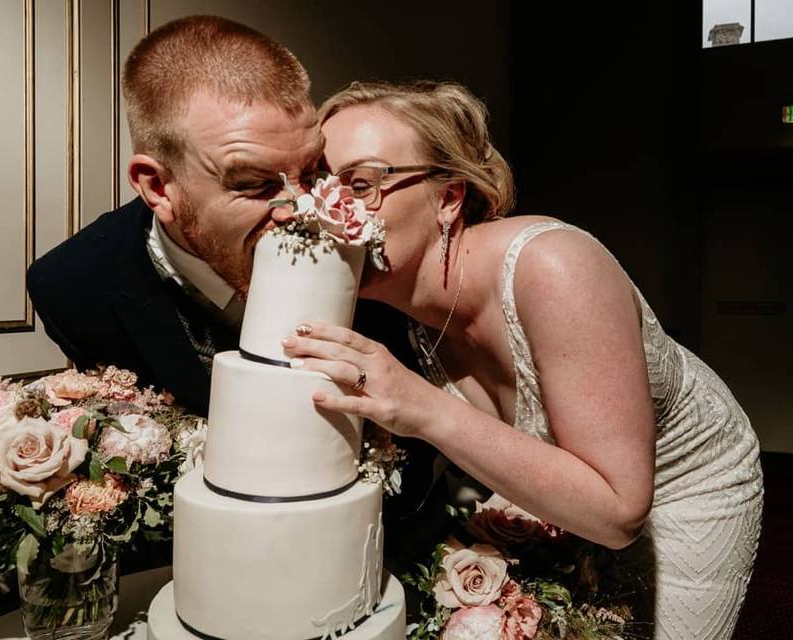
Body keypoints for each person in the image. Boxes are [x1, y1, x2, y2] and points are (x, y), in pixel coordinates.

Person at [278, 81, 765, 639]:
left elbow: (617, 511)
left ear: (450, 197)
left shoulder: (554, 268)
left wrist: (421, 405)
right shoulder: (381, 311)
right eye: (317, 187)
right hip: (564, 485)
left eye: (360, 184)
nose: (330, 211)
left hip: (686, 488)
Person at [27, 15, 324, 415]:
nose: (301, 208)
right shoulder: (73, 286)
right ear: (157, 187)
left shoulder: (363, 240)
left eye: (312, 172)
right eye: (256, 184)